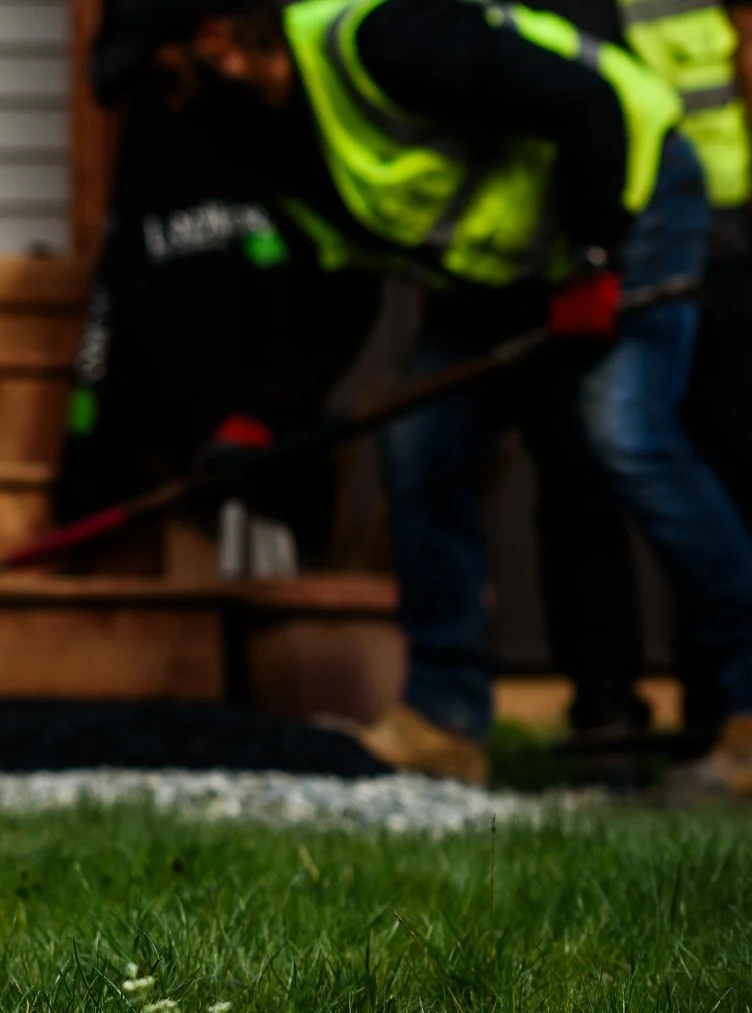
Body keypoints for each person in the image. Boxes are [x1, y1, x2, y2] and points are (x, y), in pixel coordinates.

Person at [166, 0, 752, 801]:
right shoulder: (276, 137)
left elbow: (589, 105)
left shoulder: (377, 37)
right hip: (512, 261)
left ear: (217, 42)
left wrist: (591, 257)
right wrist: (255, 421)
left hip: (630, 187)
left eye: (163, 81)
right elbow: (335, 302)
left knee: (627, 434)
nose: (161, 110)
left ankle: (748, 705)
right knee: (422, 445)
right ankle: (445, 719)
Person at [58, 0, 382, 567]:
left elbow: (344, 296)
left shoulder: (295, 109)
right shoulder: (156, 132)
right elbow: (118, 300)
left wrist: (261, 415)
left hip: (284, 447)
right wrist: (89, 480)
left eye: (164, 79)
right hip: (186, 469)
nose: (165, 98)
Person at [521, 0, 750, 753]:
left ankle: (723, 711)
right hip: (586, 226)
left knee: (709, 452)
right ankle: (607, 714)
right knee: (581, 460)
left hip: (721, 225)